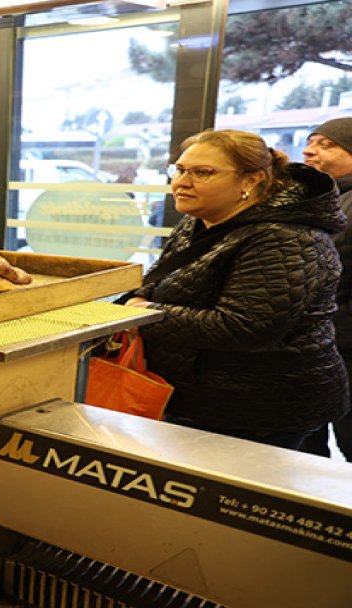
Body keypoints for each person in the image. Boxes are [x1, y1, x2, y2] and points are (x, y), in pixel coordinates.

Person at [125, 129, 349, 454]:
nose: (182, 182)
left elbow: (244, 326)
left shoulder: (286, 238)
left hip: (261, 411)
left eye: (203, 173)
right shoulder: (197, 223)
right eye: (180, 170)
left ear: (251, 180)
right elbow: (161, 284)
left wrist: (144, 313)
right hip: (199, 397)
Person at [302, 117, 352, 459]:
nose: (309, 150)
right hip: (311, 343)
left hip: (344, 344)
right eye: (311, 142)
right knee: (305, 444)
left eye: (326, 144)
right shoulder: (317, 199)